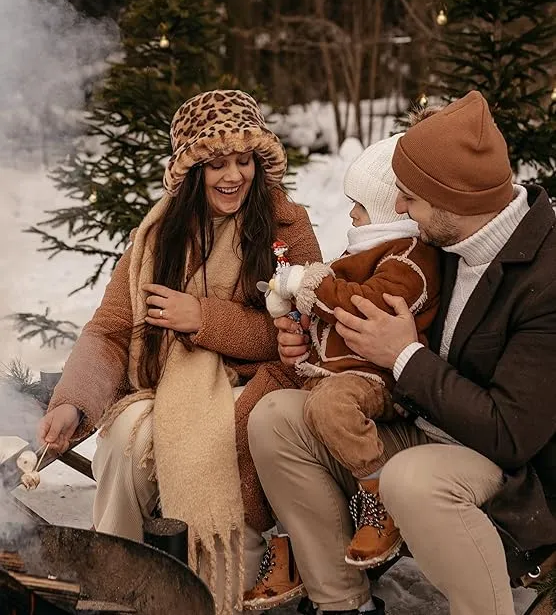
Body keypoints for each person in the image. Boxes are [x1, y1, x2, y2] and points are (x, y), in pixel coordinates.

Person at [248, 90, 556, 615]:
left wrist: (405, 356)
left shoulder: (544, 279)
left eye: (411, 197)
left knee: (410, 480)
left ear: (454, 198)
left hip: (505, 466)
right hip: (424, 422)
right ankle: (342, 603)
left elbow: (511, 435)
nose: (399, 209)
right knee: (275, 418)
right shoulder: (444, 239)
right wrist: (321, 338)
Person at [38, 89, 321, 615]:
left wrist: (204, 319)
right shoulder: (158, 235)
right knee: (126, 436)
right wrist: (72, 403)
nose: (232, 175)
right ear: (192, 171)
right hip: (164, 387)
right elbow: (111, 331)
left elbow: (302, 335)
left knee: (217, 434)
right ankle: (119, 581)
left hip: (254, 388)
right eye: (215, 164)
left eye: (243, 161)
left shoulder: (287, 227)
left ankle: (216, 592)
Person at [244, 132, 440, 610]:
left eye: (360, 206)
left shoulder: (410, 259)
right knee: (261, 417)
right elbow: (331, 314)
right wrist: (300, 327)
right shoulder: (361, 254)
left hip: (381, 384)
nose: (351, 215)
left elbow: (368, 306)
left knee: (327, 405)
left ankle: (379, 497)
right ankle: (289, 541)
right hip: (340, 376)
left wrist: (313, 283)